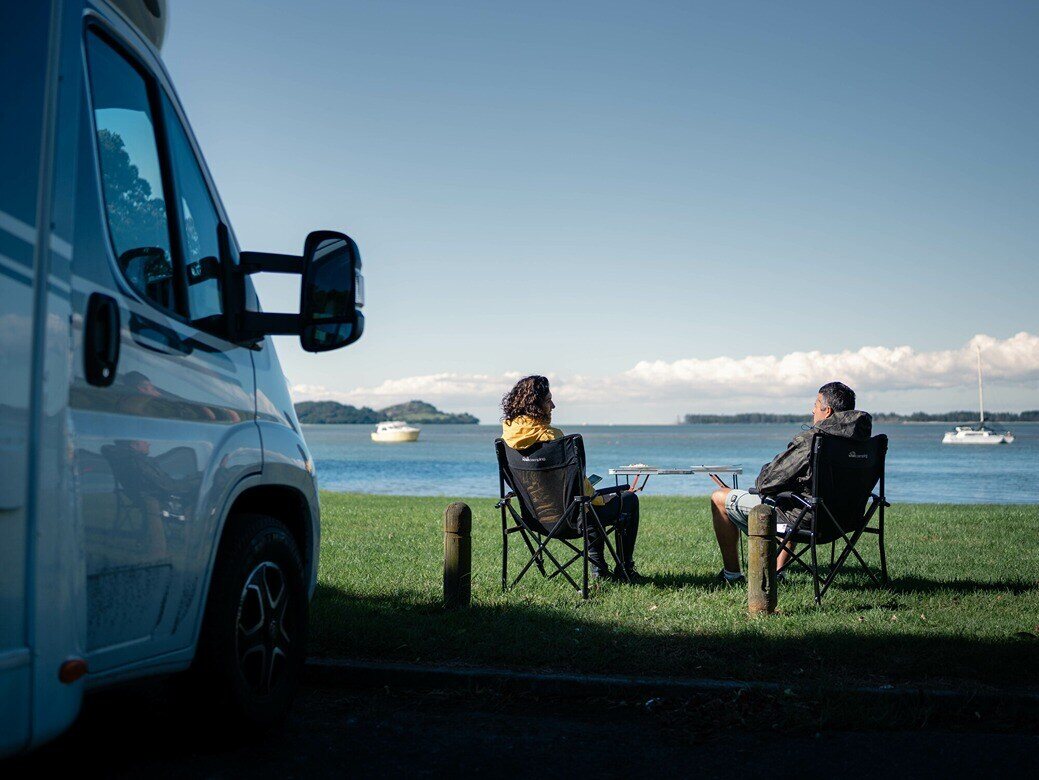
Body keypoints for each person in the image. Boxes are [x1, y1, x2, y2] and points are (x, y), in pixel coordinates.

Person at [709, 381, 873, 585]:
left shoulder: (813, 440)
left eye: (815, 404)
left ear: (827, 410)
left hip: (807, 520)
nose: (813, 410)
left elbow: (765, 482)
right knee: (796, 495)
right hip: (847, 521)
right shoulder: (867, 443)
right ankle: (777, 572)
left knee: (719, 498)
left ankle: (731, 576)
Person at [500, 375, 641, 581]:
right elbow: (579, 490)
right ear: (535, 405)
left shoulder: (506, 441)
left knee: (584, 502)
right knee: (625, 500)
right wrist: (600, 498)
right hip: (570, 520)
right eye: (548, 400)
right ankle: (625, 570)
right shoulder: (553, 438)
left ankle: (599, 569)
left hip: (534, 519)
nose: (553, 405)